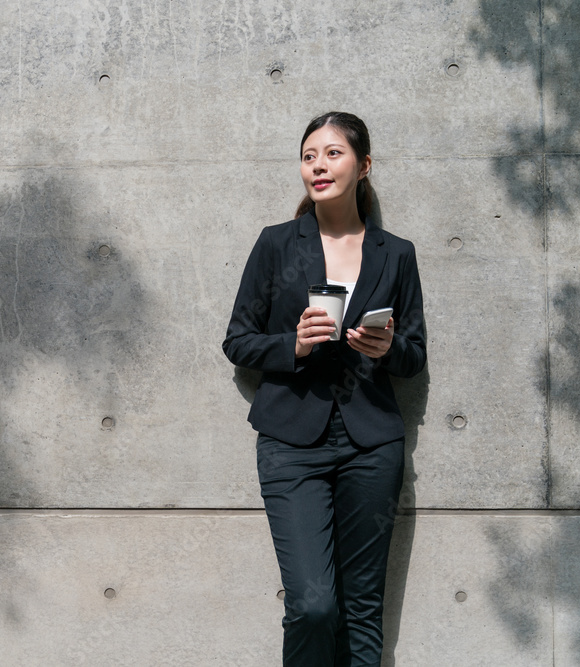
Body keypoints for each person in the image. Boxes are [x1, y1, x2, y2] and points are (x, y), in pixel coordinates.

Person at [222, 111, 426, 665]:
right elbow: (238, 342)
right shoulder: (276, 244)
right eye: (310, 155)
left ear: (364, 166)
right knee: (313, 606)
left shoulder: (396, 253)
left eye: (333, 154)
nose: (319, 165)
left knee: (362, 605)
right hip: (291, 445)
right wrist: (293, 344)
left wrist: (388, 350)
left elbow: (414, 354)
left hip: (372, 445)